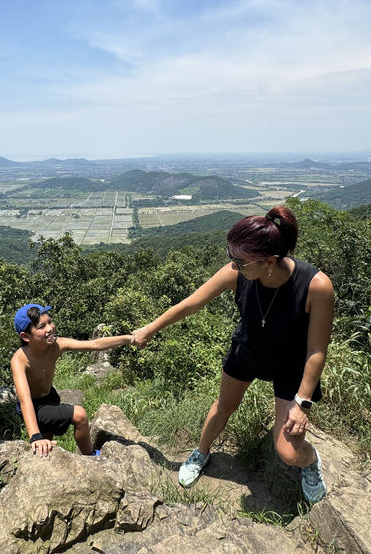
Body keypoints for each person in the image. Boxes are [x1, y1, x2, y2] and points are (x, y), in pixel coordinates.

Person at [132, 206, 334, 503]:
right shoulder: (237, 273)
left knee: (289, 452)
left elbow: (317, 350)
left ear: (268, 261)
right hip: (248, 349)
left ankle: (310, 461)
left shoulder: (316, 286)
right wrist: (151, 328)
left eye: (239, 261)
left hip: (291, 364)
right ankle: (201, 453)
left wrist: (301, 404)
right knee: (223, 406)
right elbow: (191, 304)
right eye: (232, 256)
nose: (233, 265)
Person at [11, 303, 134, 457]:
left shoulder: (57, 345)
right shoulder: (20, 359)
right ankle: (90, 456)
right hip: (34, 407)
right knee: (80, 415)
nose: (49, 328)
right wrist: (34, 437)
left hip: (50, 397)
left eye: (50, 322)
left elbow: (94, 344)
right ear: (25, 336)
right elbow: (24, 400)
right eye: (41, 326)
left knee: (47, 440)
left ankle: (49, 456)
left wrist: (128, 339)